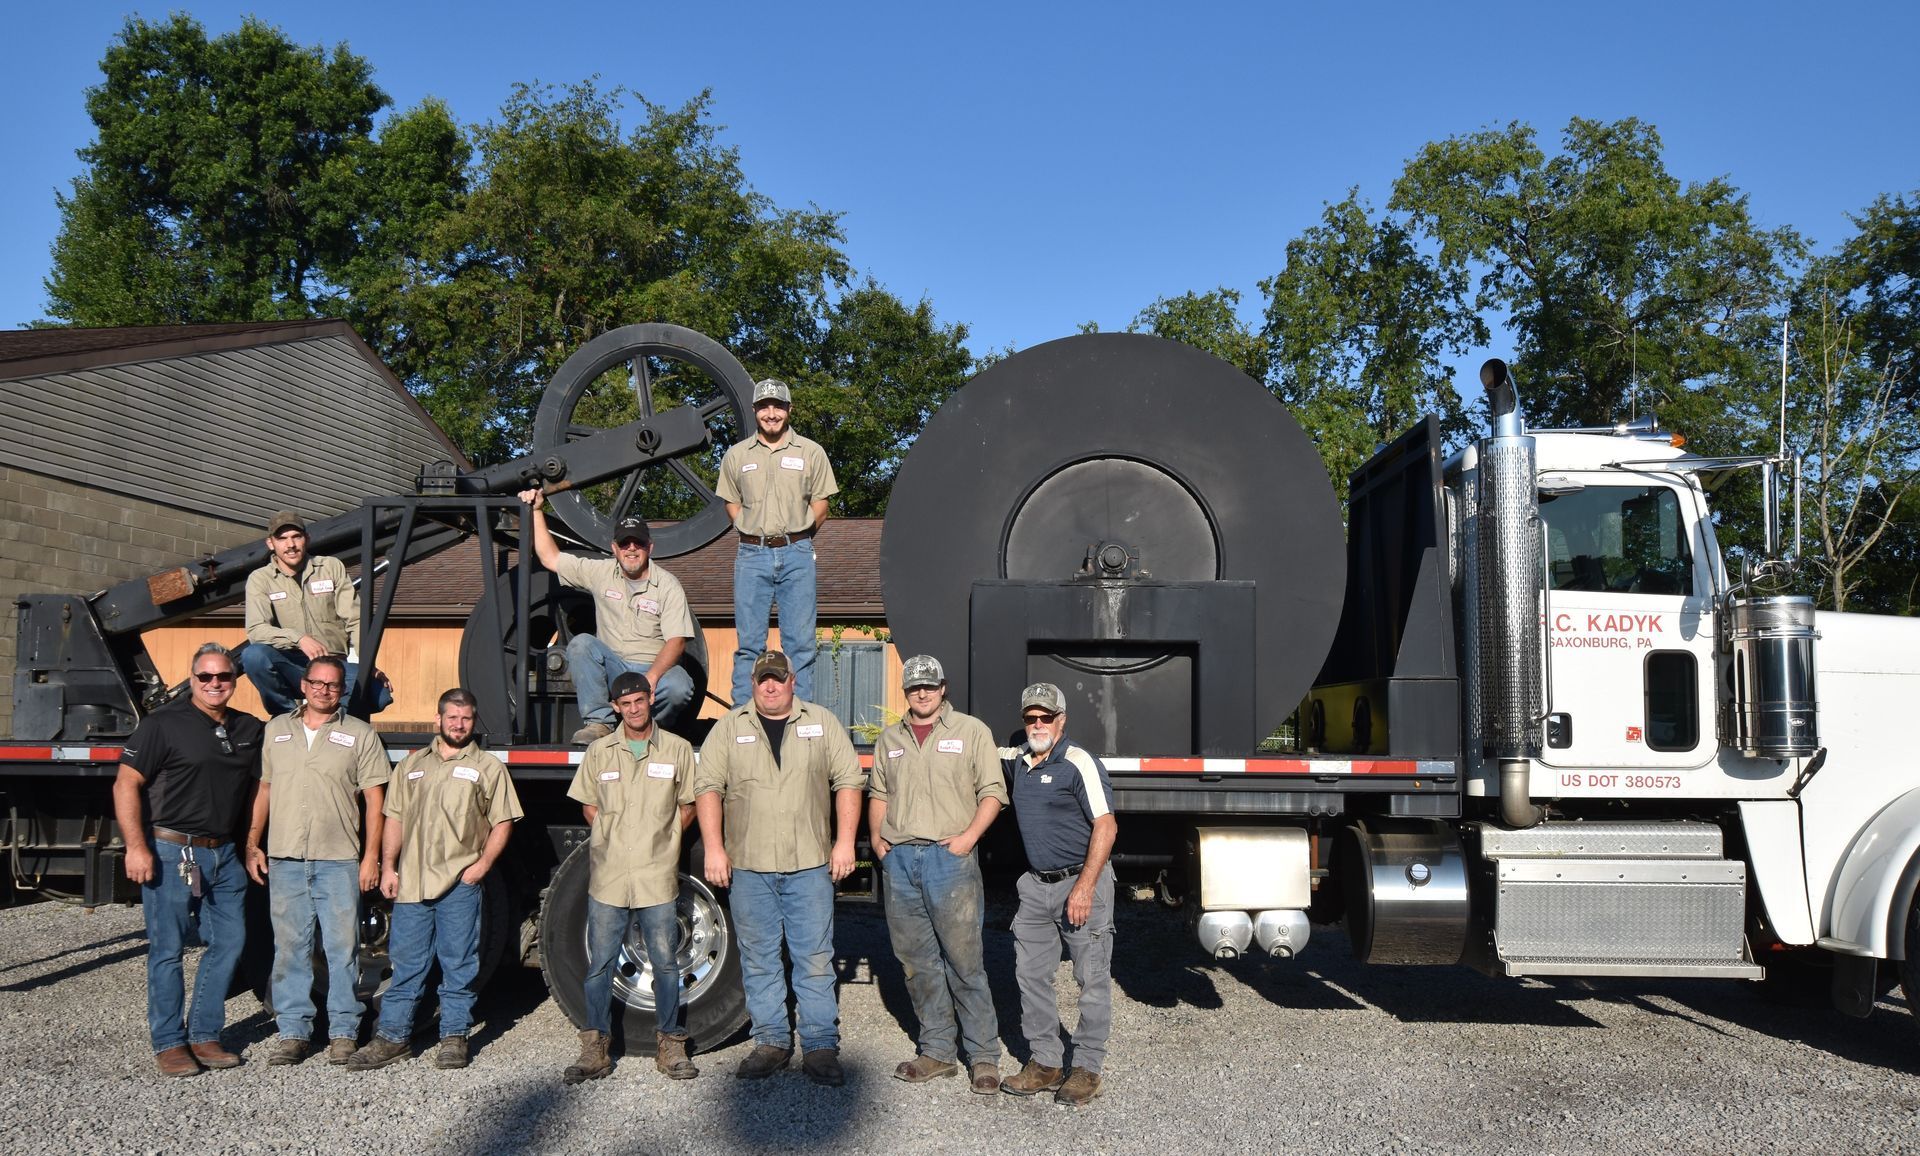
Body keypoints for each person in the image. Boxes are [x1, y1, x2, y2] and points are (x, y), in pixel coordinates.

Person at [693, 650, 863, 1085]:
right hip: (749, 868)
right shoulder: (729, 729)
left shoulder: (822, 723)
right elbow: (708, 787)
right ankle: (771, 1041)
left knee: (815, 958)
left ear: (792, 682)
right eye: (763, 679)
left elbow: (847, 781)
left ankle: (821, 1047)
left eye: (778, 679)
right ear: (753, 684)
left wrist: (844, 842)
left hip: (810, 866)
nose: (771, 686)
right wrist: (714, 849)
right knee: (760, 959)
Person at [347, 689, 522, 1072]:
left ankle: (454, 1037)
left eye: (466, 718)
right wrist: (389, 866)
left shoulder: (487, 768)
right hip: (412, 882)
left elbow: (503, 821)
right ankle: (392, 1038)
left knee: (459, 963)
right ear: (438, 719)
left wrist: (483, 865)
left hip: (459, 882)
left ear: (474, 722)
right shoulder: (411, 766)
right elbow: (395, 817)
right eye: (452, 717)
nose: (459, 724)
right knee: (407, 964)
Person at [112, 642, 264, 1078]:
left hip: (225, 854)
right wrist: (136, 846)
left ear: (235, 681)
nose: (215, 684)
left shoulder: (249, 728)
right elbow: (126, 784)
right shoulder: (162, 725)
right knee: (168, 948)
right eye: (205, 677)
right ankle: (169, 1042)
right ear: (193, 679)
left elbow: (260, 788)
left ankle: (204, 1034)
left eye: (224, 677)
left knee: (230, 943)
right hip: (170, 850)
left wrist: (251, 844)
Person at [869, 654, 1009, 1093]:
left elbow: (993, 793)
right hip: (901, 860)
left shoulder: (970, 731)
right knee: (916, 963)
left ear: (943, 688)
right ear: (906, 692)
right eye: (914, 687)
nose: (922, 693)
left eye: (930, 686)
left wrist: (967, 838)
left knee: (965, 962)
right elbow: (879, 793)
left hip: (950, 860)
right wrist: (877, 840)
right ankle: (937, 1052)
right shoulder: (889, 739)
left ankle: (984, 1056)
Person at [242, 654, 391, 1066]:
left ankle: (343, 1031)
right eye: (318, 683)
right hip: (286, 857)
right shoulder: (276, 731)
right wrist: (254, 842)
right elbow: (265, 789)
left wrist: (371, 857)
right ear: (304, 686)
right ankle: (293, 1032)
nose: (325, 690)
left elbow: (376, 799)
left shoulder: (359, 734)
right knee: (290, 948)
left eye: (333, 685)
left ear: (342, 690)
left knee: (342, 949)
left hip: (338, 858)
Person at [560, 671, 700, 1084]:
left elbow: (688, 802)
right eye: (626, 704)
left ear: (650, 699)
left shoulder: (676, 749)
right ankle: (595, 1047)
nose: (635, 709)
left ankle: (671, 1045)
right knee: (599, 964)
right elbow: (587, 803)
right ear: (616, 707)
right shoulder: (601, 752)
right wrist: (608, 833)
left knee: (666, 964)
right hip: (609, 875)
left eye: (640, 701)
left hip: (656, 874)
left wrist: (670, 838)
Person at [1000, 682, 1118, 1108]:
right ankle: (1046, 1063)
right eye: (1030, 718)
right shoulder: (1017, 759)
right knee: (1030, 975)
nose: (1037, 724)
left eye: (1045, 718)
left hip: (1080, 882)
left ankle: (1086, 1067)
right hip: (1035, 886)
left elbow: (1106, 826)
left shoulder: (1078, 762)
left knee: (1090, 977)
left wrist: (1085, 887)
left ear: (1061, 720)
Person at [517, 491, 699, 742]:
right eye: (625, 543)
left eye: (638, 543)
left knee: (680, 686)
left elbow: (677, 641)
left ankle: (651, 730)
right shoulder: (600, 572)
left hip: (652, 669)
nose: (631, 549)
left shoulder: (668, 585)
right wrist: (537, 510)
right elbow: (550, 558)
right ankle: (599, 723)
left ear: (650, 547)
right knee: (581, 643)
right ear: (615, 548)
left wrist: (652, 678)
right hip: (614, 667)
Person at [714, 379, 838, 706]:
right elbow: (730, 501)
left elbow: (821, 502)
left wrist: (801, 536)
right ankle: (742, 715)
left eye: (778, 406)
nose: (772, 413)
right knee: (749, 644)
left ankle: (802, 713)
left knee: (800, 644)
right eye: (765, 406)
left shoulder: (811, 452)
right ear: (755, 411)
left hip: (797, 553)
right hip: (750, 554)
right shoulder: (736, 455)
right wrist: (746, 528)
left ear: (789, 410)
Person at [239, 511, 391, 717]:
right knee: (253, 655)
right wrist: (299, 639)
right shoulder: (260, 579)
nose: (290, 544)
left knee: (379, 695)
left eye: (296, 537)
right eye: (282, 538)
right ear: (270, 543)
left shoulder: (330, 567)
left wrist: (368, 664)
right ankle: (287, 717)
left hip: (334, 663)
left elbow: (356, 619)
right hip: (291, 663)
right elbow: (256, 630)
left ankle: (338, 727)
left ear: (307, 539)